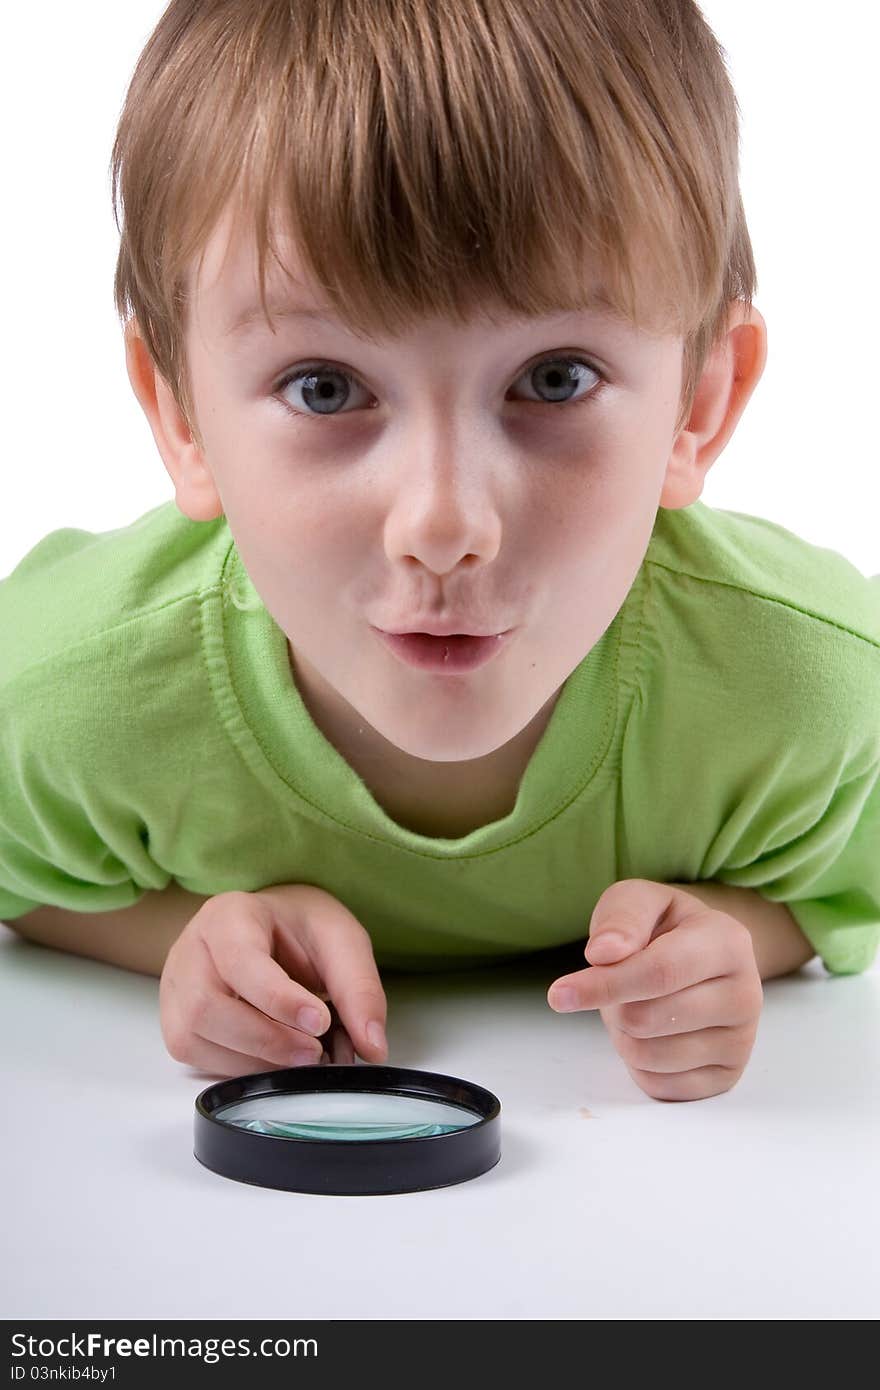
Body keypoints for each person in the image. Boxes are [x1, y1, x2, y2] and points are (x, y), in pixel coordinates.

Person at [2, 0, 877, 1102]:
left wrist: (735, 938)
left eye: (552, 378)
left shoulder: (804, 690)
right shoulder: (64, 697)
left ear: (699, 403)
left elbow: (838, 889)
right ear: (180, 415)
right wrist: (184, 934)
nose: (445, 524)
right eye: (324, 388)